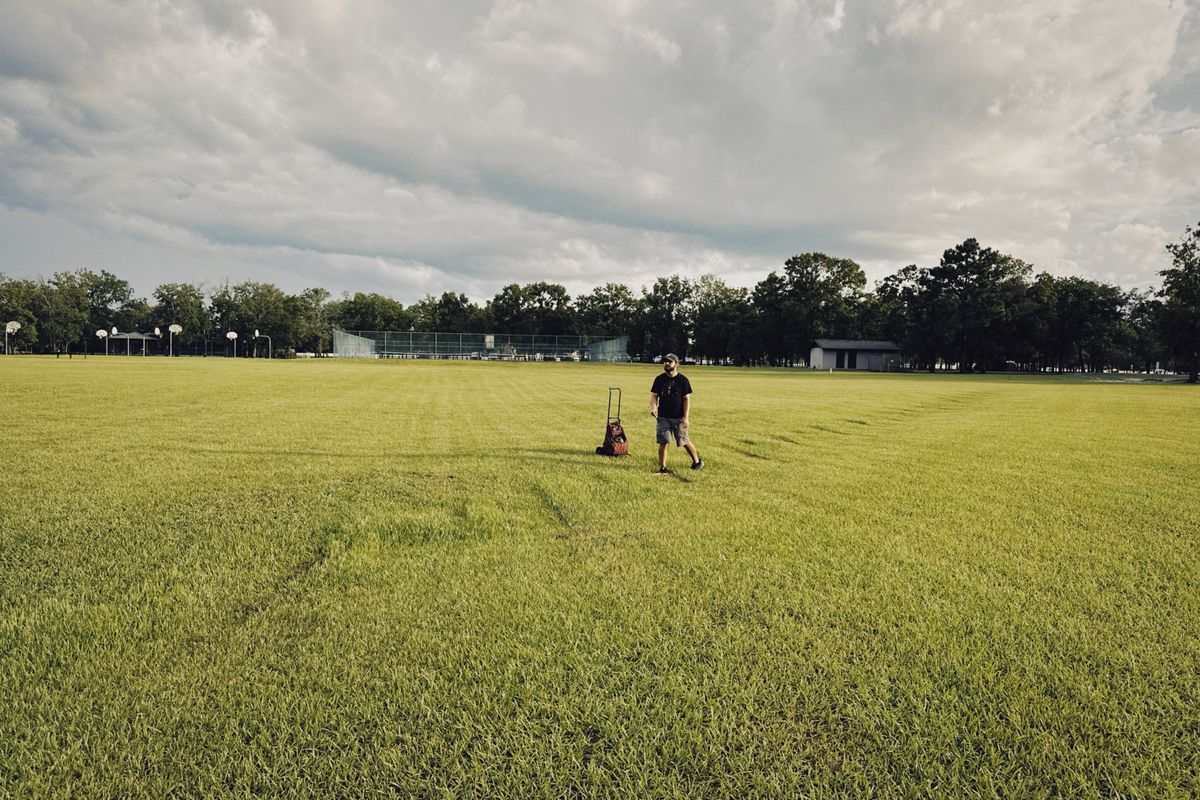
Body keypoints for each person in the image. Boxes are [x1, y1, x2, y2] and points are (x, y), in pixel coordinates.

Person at [649, 353, 703, 474]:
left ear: (676, 364)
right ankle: (662, 468)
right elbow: (654, 396)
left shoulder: (683, 380)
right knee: (664, 441)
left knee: (683, 441)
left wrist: (686, 418)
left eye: (670, 362)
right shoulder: (659, 379)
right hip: (663, 416)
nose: (667, 364)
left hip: (678, 417)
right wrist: (653, 407)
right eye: (665, 362)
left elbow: (686, 399)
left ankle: (697, 461)